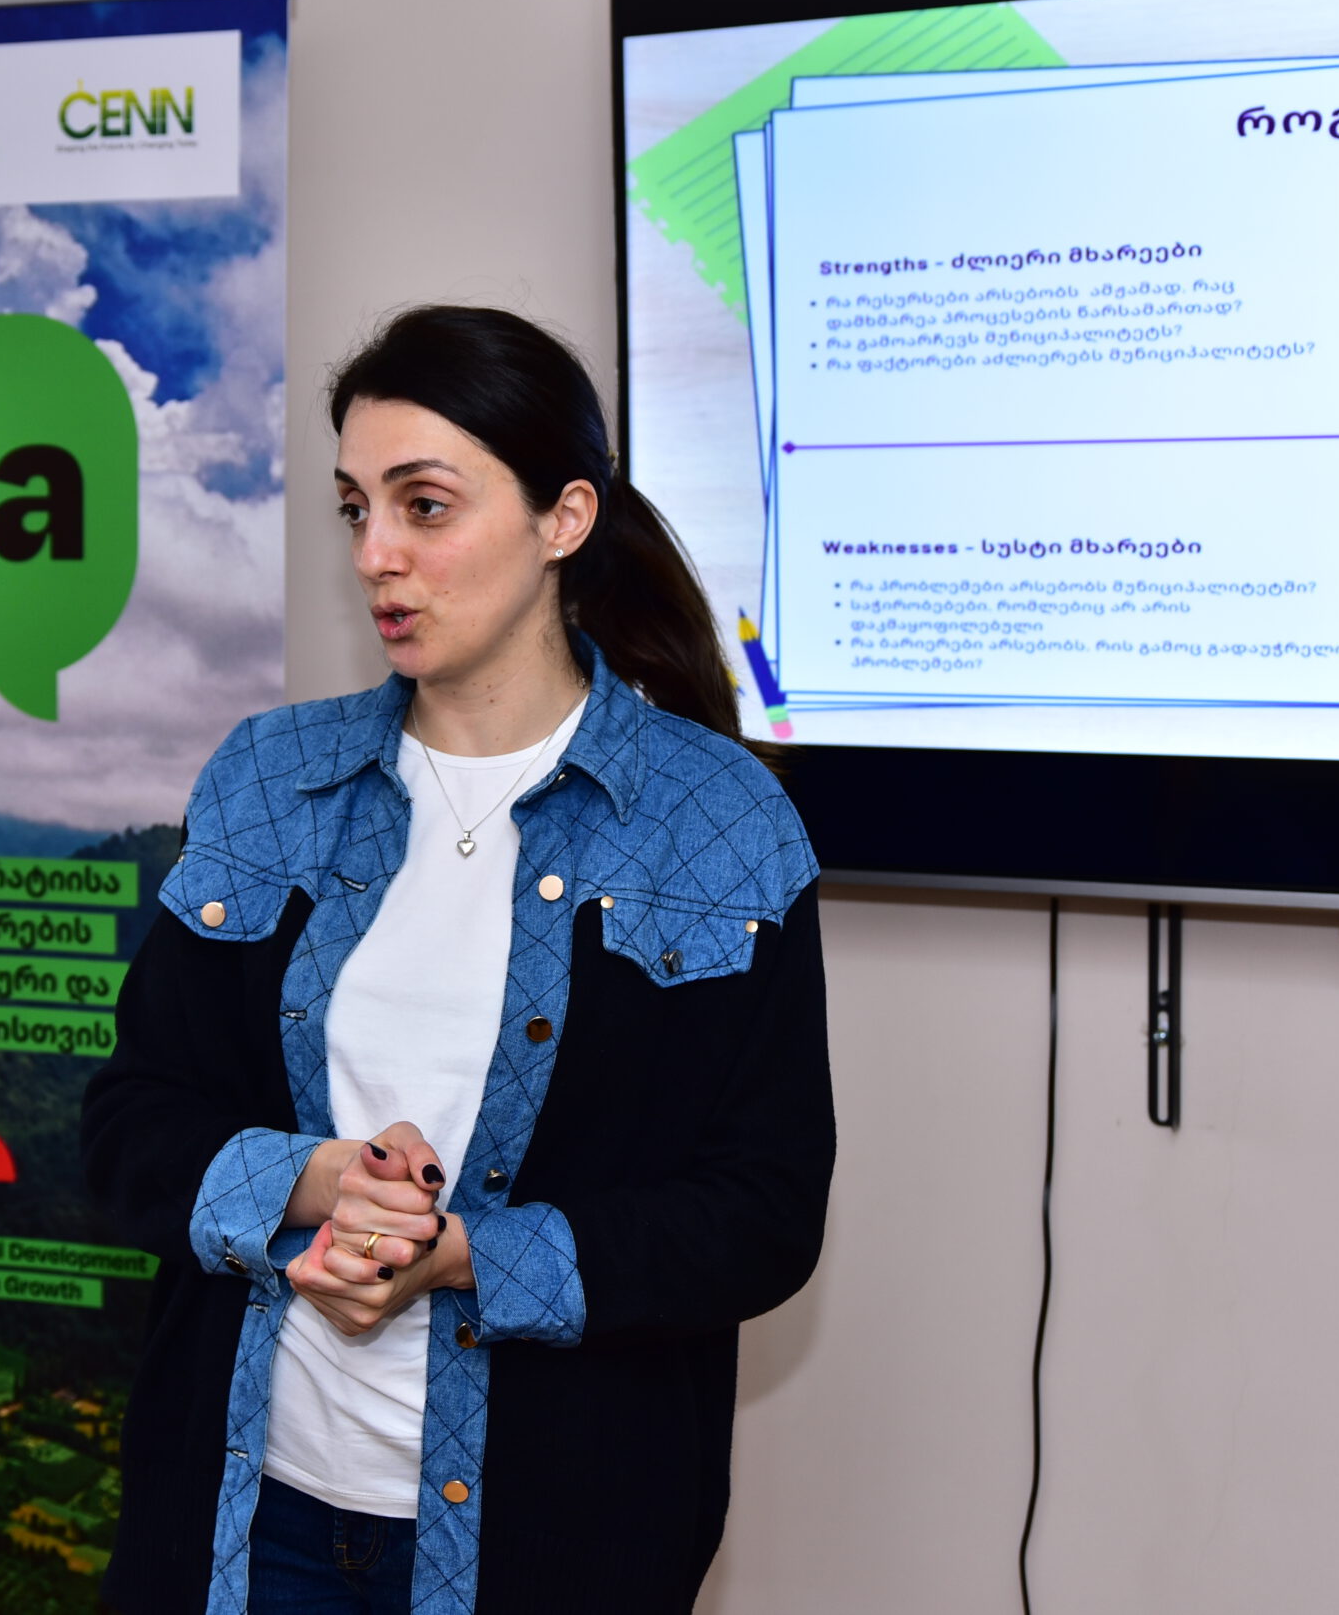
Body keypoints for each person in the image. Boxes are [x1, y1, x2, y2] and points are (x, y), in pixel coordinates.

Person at [80, 304, 832, 1615]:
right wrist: (311, 1181)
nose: (377, 554)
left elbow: (761, 1213)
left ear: (564, 519)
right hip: (248, 1522)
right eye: (355, 508)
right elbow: (129, 1121)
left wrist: (471, 1255)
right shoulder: (269, 778)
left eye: (424, 506)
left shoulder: (721, 821)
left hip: (555, 1544)